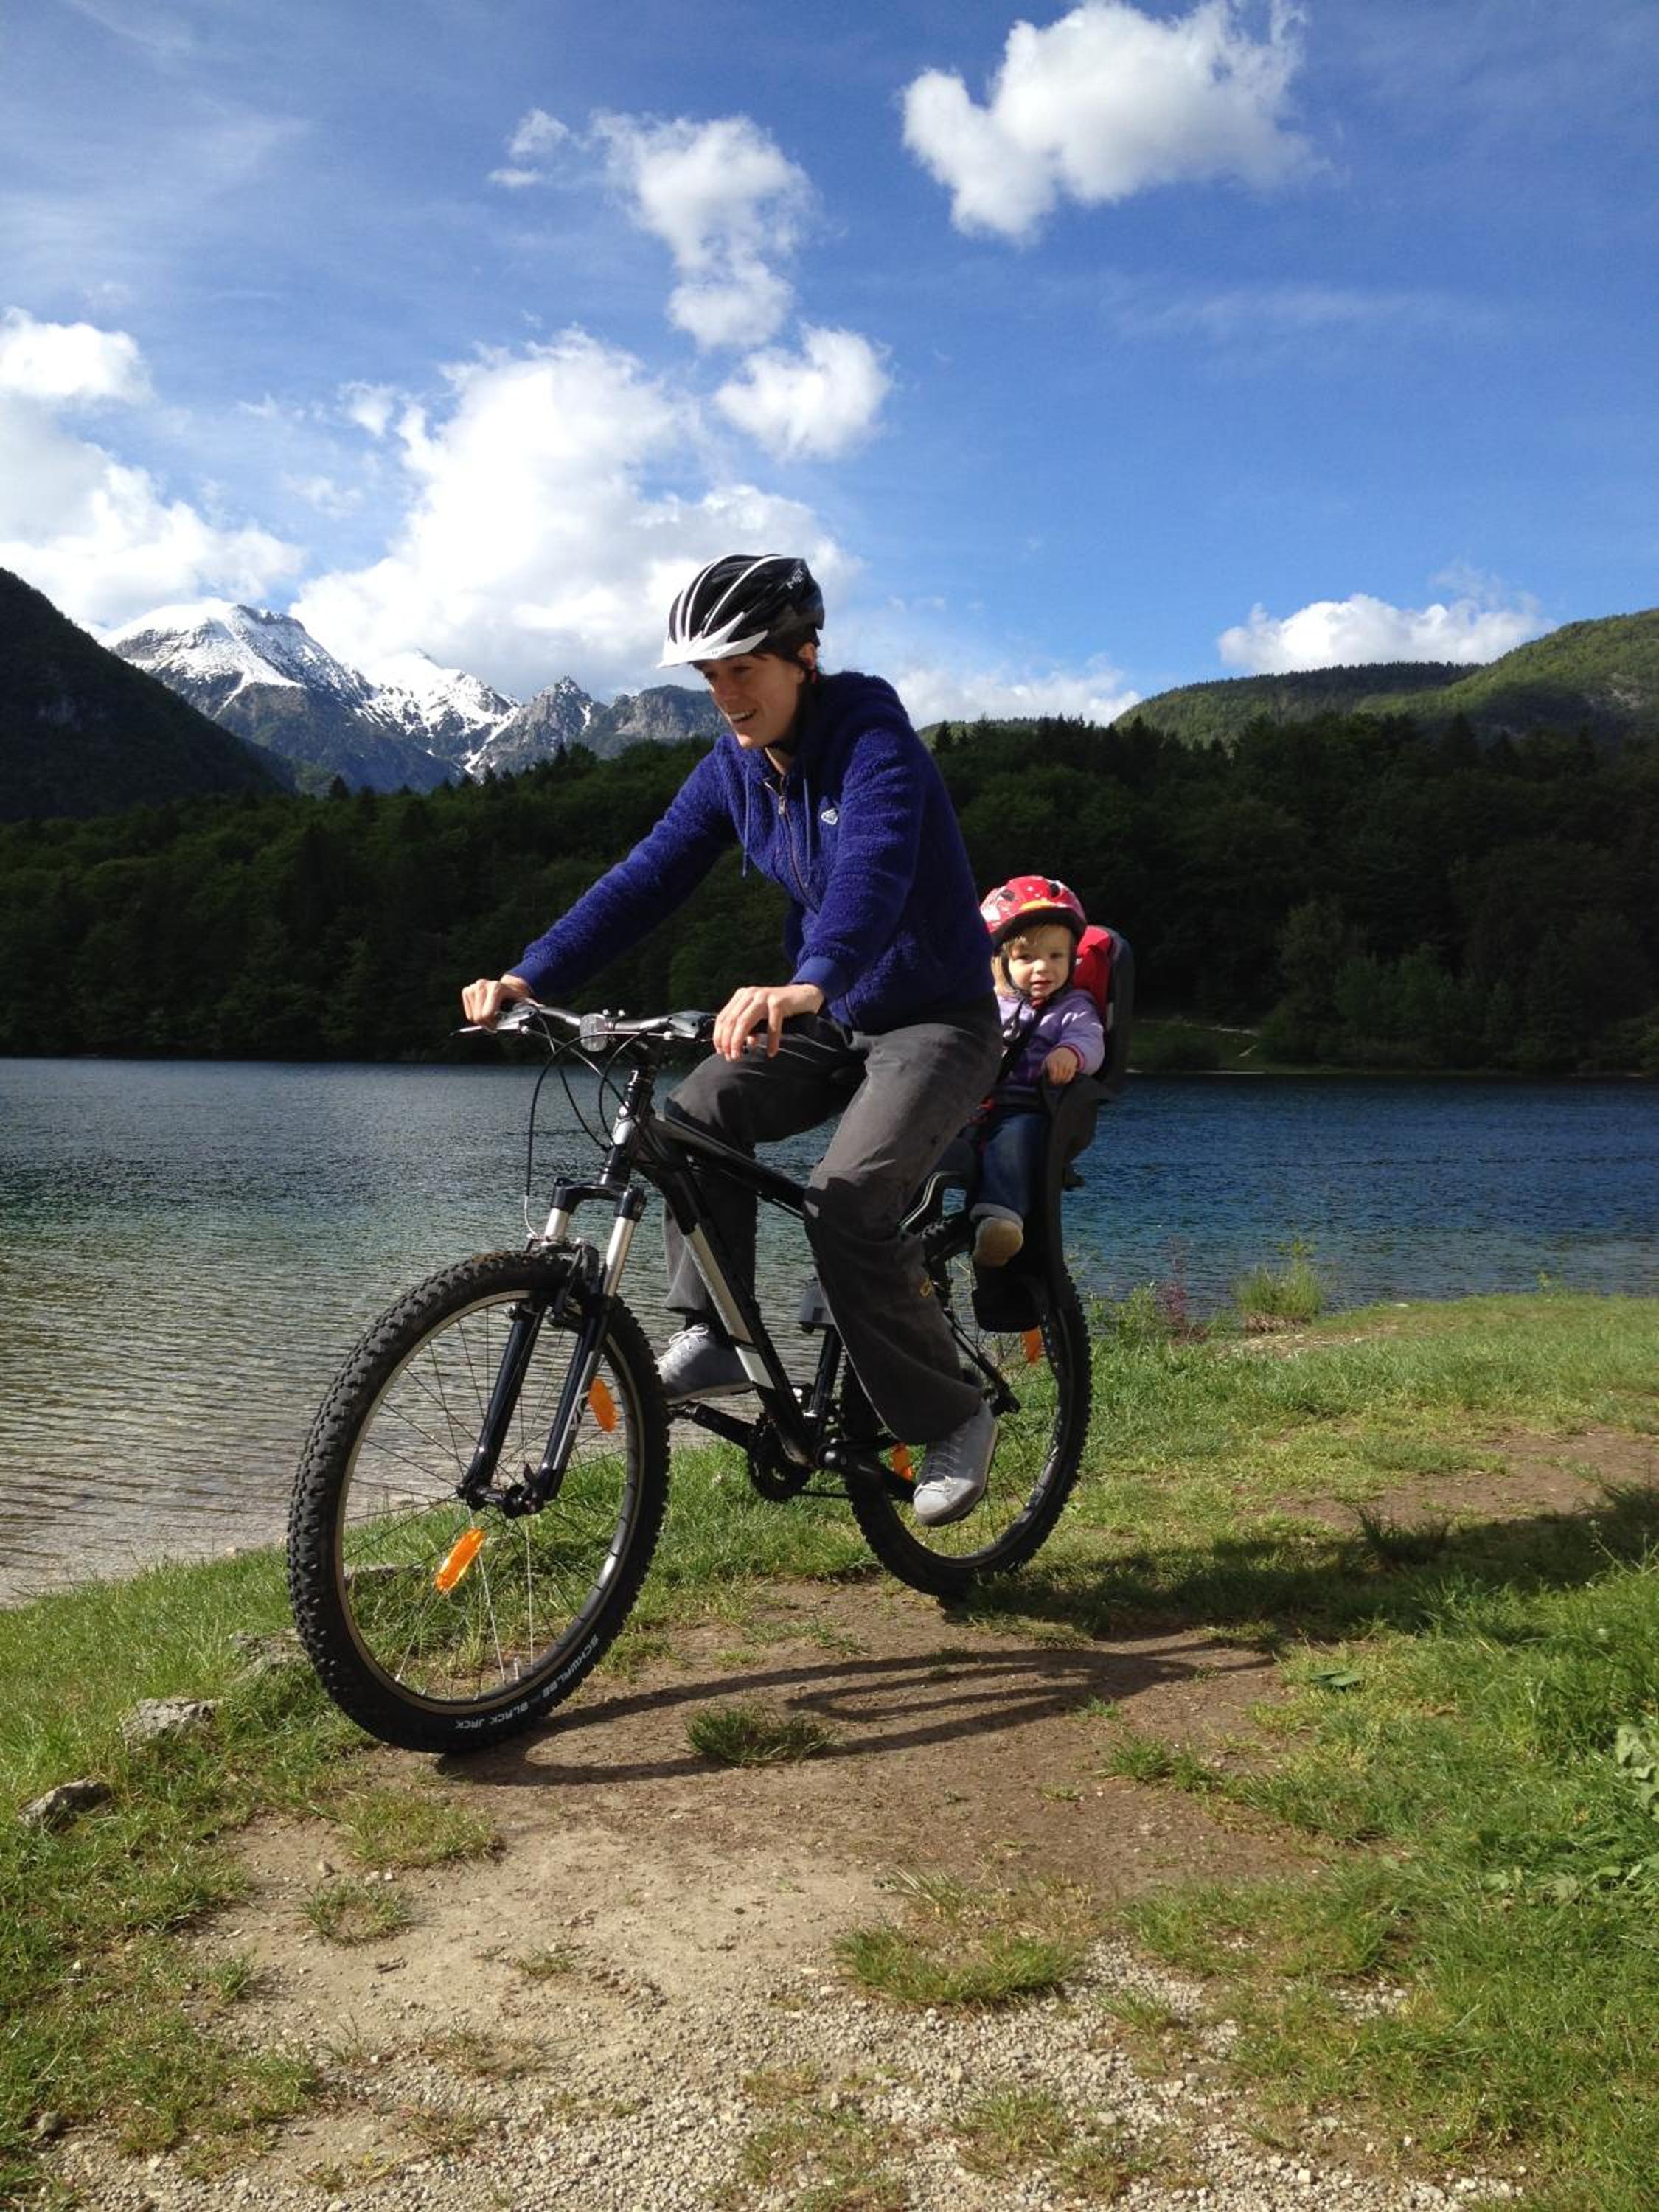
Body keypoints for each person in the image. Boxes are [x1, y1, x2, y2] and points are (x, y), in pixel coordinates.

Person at [461, 554, 1004, 1527]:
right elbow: (645, 879)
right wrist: (528, 974)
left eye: (742, 670)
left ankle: (952, 1414)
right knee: (696, 1114)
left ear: (804, 656)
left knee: (848, 1201)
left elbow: (874, 869)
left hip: (935, 1018)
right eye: (709, 676)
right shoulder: (733, 770)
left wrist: (811, 977)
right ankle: (715, 1333)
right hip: (830, 1014)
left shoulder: (870, 736)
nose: (725, 695)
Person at [970, 877, 1106, 1270]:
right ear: (1001, 961)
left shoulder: (1074, 1006)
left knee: (1013, 1142)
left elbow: (1090, 1039)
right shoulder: (985, 1004)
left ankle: (1000, 1223)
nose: (1043, 967)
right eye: (1026, 957)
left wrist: (1069, 1053)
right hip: (970, 1105)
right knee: (921, 1133)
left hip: (1029, 1106)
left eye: (1056, 956)